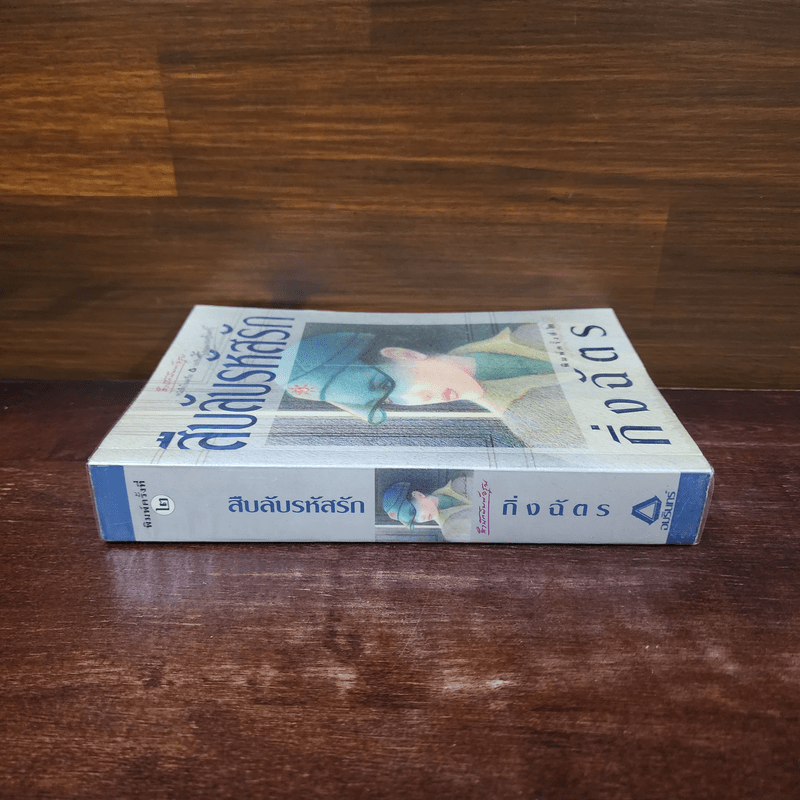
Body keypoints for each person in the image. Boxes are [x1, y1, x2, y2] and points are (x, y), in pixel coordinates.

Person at [283, 326, 574, 446]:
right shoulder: (532, 428)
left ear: (403, 354)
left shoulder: (530, 332)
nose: (417, 398)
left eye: (385, 383)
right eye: (390, 401)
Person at [382, 475, 473, 543]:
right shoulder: (450, 532)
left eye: (413, 511)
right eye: (414, 520)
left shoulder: (458, 483)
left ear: (418, 495)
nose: (420, 519)